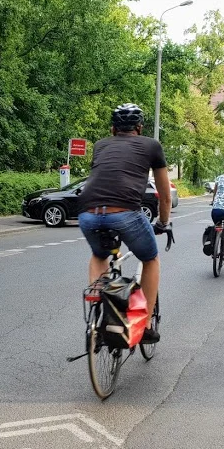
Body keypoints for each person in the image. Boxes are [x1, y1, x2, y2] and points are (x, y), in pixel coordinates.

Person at [78, 103, 172, 344]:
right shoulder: (152, 145)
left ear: (113, 129)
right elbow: (165, 193)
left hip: (87, 213)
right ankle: (144, 324)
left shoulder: (100, 145)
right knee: (150, 259)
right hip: (125, 213)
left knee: (100, 256)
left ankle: (98, 317)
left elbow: (103, 178)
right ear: (139, 128)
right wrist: (163, 222)